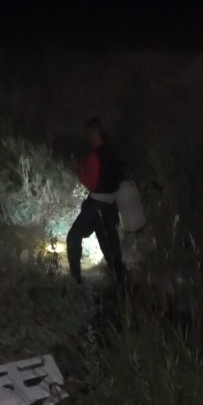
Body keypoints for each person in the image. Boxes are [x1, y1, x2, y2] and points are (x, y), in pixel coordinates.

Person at [67, 117, 127, 285]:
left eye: (89, 133)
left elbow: (92, 183)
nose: (88, 137)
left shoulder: (95, 156)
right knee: (109, 246)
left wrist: (79, 171)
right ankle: (122, 282)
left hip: (96, 206)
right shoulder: (113, 152)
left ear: (95, 133)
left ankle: (75, 279)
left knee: (74, 236)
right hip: (111, 206)